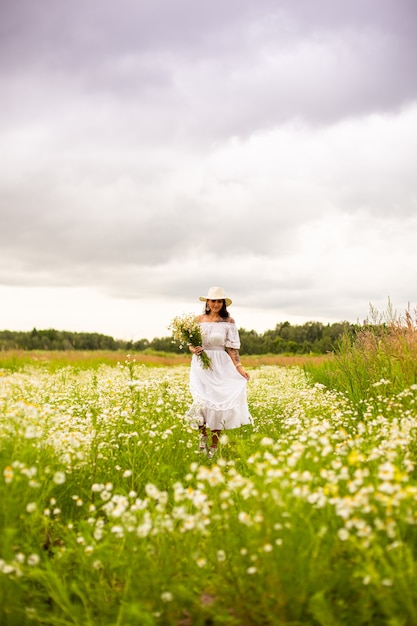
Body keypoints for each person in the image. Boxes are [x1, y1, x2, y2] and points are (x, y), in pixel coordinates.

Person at [187, 286, 253, 458]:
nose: (215, 304)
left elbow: (232, 348)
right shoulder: (198, 319)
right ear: (207, 302)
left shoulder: (228, 321)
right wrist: (194, 349)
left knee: (218, 404)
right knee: (200, 402)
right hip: (200, 365)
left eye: (219, 301)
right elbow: (190, 343)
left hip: (220, 364)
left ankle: (214, 448)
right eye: (213, 300)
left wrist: (239, 367)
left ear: (223, 303)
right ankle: (202, 437)